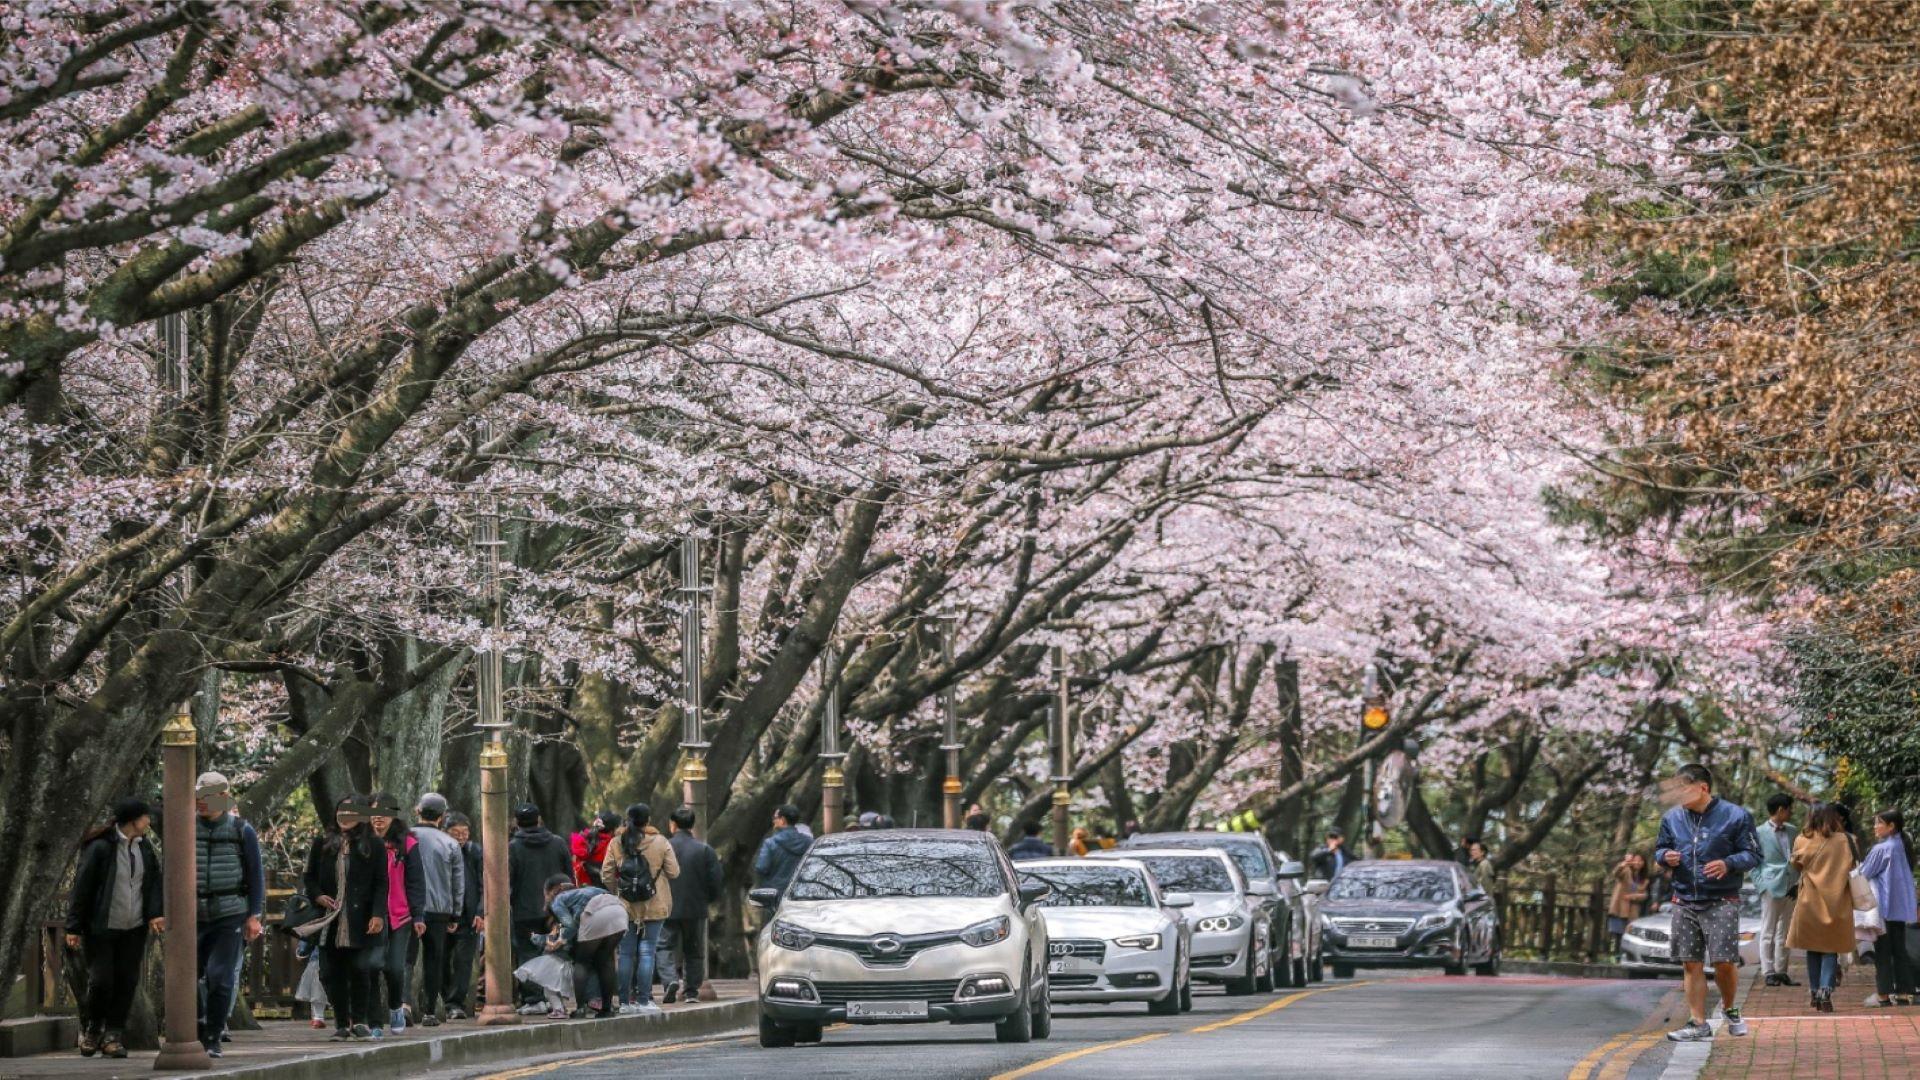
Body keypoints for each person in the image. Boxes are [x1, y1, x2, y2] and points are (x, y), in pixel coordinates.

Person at [1655, 763, 1761, 1043]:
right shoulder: (1672, 818)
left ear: (1703, 787)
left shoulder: (1736, 816)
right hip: (1684, 898)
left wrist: (1728, 863)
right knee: (1690, 963)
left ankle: (1729, 1008)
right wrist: (1665, 856)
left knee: (1724, 961)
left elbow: (1753, 854)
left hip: (1722, 898)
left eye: (1683, 789)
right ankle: (1698, 1022)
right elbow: (1659, 848)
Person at [66, 798, 164, 1059]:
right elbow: (82, 888)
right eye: (145, 817)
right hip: (102, 926)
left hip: (134, 927)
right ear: (133, 820)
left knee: (127, 981)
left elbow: (154, 883)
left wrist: (155, 913)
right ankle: (93, 1029)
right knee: (101, 981)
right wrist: (73, 926)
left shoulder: (145, 849)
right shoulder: (101, 848)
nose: (148, 822)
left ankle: (114, 1035)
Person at [192, 772, 265, 1058]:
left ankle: (213, 1035)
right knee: (192, 977)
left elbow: (256, 875)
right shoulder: (186, 828)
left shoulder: (241, 829)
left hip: (230, 912)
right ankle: (198, 1026)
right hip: (193, 914)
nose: (201, 803)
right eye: (198, 797)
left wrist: (254, 915)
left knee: (220, 976)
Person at [303, 795, 388, 1042]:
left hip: (360, 918)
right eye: (342, 811)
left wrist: (377, 914)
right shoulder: (323, 842)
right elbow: (309, 877)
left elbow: (382, 882)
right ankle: (341, 1023)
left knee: (361, 968)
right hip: (330, 919)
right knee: (332, 971)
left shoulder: (373, 844)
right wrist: (318, 896)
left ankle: (359, 1021)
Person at [602, 803, 679, 1013]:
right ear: (648, 820)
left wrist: (620, 890)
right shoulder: (661, 842)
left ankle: (625, 1003)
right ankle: (644, 1001)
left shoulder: (617, 842)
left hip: (625, 906)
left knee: (625, 954)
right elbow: (674, 872)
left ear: (627, 820)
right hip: (655, 904)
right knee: (647, 952)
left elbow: (606, 875)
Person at [1788, 803, 1855, 1012]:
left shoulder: (1801, 839)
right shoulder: (1844, 840)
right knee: (1830, 949)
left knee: (1813, 948)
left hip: (1809, 900)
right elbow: (1853, 865)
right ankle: (1826, 990)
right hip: (1836, 900)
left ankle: (1815, 991)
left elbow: (1796, 864)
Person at [368, 794, 424, 1035]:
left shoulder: (407, 843)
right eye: (374, 811)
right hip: (369, 916)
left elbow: (416, 882)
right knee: (369, 966)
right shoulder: (362, 842)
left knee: (394, 967)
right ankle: (373, 1022)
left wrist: (419, 915)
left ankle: (395, 1007)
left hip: (399, 916)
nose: (379, 816)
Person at [509, 804, 573, 1008]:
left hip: (524, 910)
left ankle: (534, 999)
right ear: (539, 820)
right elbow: (569, 876)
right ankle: (553, 998)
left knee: (528, 952)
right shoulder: (558, 843)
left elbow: (508, 880)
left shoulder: (512, 847)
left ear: (517, 823)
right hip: (555, 909)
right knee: (554, 952)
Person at [410, 793, 466, 1026]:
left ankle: (402, 1004)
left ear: (417, 811)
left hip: (408, 909)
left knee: (405, 959)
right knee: (435, 961)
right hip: (440, 910)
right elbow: (458, 882)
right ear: (442, 817)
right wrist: (456, 912)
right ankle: (430, 1011)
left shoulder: (405, 838)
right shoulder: (451, 843)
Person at [661, 806, 722, 1004]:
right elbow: (716, 880)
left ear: (673, 825)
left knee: (664, 946)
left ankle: (670, 981)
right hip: (695, 907)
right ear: (692, 825)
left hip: (666, 907)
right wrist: (707, 899)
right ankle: (691, 992)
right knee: (694, 951)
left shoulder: (663, 848)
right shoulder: (704, 849)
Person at [544, 876, 627, 1019]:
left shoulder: (558, 900)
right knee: (606, 961)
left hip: (595, 914)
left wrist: (561, 940)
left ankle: (580, 1008)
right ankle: (607, 1008)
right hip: (619, 912)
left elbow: (569, 924)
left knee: (582, 962)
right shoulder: (586, 890)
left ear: (552, 891)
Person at [1858, 809, 1917, 1007]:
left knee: (1882, 952)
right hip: (1900, 909)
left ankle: (1883, 995)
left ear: (1891, 826)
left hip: (1882, 909)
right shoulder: (1902, 844)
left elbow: (1864, 873)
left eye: (1879, 823)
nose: (1875, 827)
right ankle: (1903, 993)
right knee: (1899, 950)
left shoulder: (1882, 849)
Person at [1752, 793, 1800, 987]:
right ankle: (1768, 971)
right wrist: (1762, 886)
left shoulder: (1793, 831)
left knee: (1786, 931)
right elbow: (1754, 863)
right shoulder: (1758, 832)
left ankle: (1782, 970)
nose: (1791, 812)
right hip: (1771, 886)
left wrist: (1797, 883)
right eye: (1789, 808)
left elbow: (1798, 857)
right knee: (1768, 930)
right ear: (1781, 809)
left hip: (1791, 885)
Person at [443, 812, 484, 1020]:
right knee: (439, 960)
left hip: (468, 917)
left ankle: (455, 1003)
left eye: (464, 832)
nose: (460, 837)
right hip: (442, 915)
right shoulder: (439, 851)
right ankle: (441, 999)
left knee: (463, 962)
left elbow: (484, 884)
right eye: (455, 833)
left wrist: (480, 911)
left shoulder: (475, 851)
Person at [753, 804, 811, 894]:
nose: (773, 820)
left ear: (783, 820)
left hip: (775, 895)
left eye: (775, 817)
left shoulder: (770, 843)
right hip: (802, 893)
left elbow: (761, 867)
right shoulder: (809, 842)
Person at [1607, 852, 1651, 954]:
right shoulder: (1626, 870)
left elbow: (1645, 895)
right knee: (1618, 934)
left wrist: (1632, 896)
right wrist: (1622, 864)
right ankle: (1616, 957)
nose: (1638, 862)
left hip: (1633, 910)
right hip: (1619, 908)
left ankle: (1625, 957)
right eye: (1636, 859)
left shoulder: (1644, 879)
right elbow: (1615, 874)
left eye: (1641, 860)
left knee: (1629, 935)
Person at [572, 812, 619, 887]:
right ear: (613, 830)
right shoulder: (612, 846)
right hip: (606, 891)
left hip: (583, 890)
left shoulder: (581, 843)